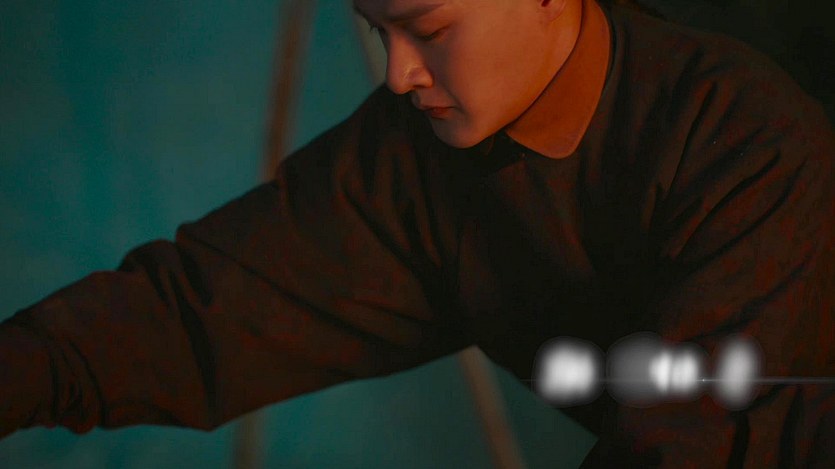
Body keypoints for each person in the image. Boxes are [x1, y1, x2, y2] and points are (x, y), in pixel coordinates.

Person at [1, 0, 833, 466]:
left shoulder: (746, 142)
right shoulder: (411, 163)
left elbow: (691, 445)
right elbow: (197, 315)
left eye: (429, 29)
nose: (399, 73)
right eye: (377, 30)